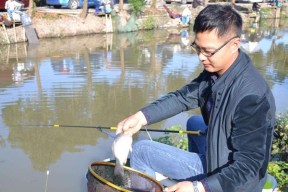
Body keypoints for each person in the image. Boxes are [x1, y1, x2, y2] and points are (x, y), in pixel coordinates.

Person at [116, 4, 276, 192]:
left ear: (234, 45)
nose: (201, 57)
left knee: (142, 151)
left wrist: (199, 187)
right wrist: (142, 116)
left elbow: (249, 166)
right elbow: (182, 98)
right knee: (195, 123)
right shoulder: (217, 73)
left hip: (235, 182)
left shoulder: (252, 98)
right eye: (197, 48)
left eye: (208, 51)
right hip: (219, 155)